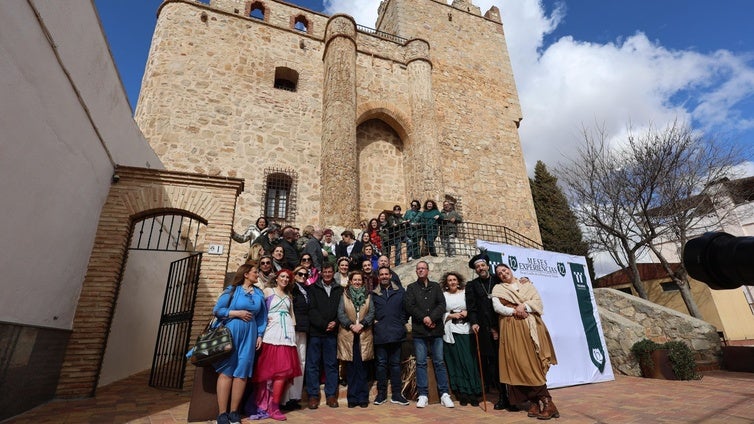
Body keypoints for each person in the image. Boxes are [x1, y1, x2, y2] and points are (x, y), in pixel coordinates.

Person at [492, 264, 559, 420]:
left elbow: (538, 302)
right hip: (511, 329)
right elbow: (497, 307)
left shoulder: (526, 285)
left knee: (534, 364)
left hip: (532, 328)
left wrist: (525, 306)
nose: (503, 273)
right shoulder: (498, 289)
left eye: (504, 270)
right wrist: (515, 310)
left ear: (510, 269)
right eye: (499, 273)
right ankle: (539, 401)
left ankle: (544, 402)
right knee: (519, 365)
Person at [212, 263, 268, 424]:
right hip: (231, 332)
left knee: (242, 371)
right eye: (255, 272)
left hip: (250, 334)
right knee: (227, 370)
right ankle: (222, 414)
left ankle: (234, 412)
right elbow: (217, 310)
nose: (257, 275)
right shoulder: (232, 290)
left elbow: (262, 317)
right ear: (245, 274)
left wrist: (260, 334)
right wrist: (235, 313)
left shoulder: (258, 293)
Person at [251, 269, 302, 421]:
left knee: (283, 373)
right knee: (266, 372)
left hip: (286, 336)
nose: (285, 279)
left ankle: (275, 405)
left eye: (287, 277)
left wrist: (293, 335)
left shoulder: (289, 297)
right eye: (283, 276)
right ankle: (262, 404)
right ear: (277, 278)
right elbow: (259, 311)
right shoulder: (267, 291)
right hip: (271, 334)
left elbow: (292, 317)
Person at [403, 261, 454, 408]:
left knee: (439, 362)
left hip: (436, 330)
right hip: (420, 331)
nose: (420, 270)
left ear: (428, 271)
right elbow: (409, 306)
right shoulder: (411, 288)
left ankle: (444, 394)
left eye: (423, 268)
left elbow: (441, 305)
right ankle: (423, 394)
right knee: (420, 363)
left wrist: (432, 318)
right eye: (418, 269)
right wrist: (424, 318)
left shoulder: (436, 287)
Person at [465, 253, 510, 410]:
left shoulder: (497, 279)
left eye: (482, 265)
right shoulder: (472, 285)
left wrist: (524, 279)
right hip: (485, 330)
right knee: (495, 364)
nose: (480, 268)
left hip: (504, 325)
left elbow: (511, 283)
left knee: (508, 361)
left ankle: (514, 395)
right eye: (477, 267)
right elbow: (472, 308)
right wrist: (474, 322)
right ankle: (502, 396)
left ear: (487, 266)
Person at [305, 263, 343, 409]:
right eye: (325, 272)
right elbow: (311, 309)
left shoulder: (339, 289)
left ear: (333, 273)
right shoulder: (313, 289)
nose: (327, 274)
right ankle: (313, 396)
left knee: (331, 364)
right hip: (316, 332)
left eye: (330, 272)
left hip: (332, 333)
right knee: (313, 364)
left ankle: (331, 395)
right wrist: (323, 324)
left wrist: (336, 322)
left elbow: (342, 308)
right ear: (321, 273)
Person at [440, 272, 481, 407]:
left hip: (466, 329)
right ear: (446, 283)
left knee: (469, 361)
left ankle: (473, 392)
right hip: (452, 331)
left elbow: (474, 306)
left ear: (458, 281)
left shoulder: (465, 293)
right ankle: (462, 393)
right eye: (449, 280)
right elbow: (440, 311)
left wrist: (467, 313)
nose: (452, 282)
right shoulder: (444, 296)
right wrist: (451, 316)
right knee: (456, 362)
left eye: (454, 280)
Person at [372, 266, 410, 406]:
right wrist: (375, 322)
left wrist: (401, 322)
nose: (383, 276)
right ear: (378, 277)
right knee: (381, 365)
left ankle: (396, 394)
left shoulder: (399, 291)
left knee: (395, 365)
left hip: (396, 333)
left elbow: (405, 310)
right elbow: (370, 310)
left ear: (390, 275)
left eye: (386, 274)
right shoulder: (374, 293)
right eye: (381, 274)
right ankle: (381, 394)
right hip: (380, 334)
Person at [337, 271, 375, 408]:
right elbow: (340, 313)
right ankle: (352, 398)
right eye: (355, 280)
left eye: (359, 280)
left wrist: (362, 324)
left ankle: (363, 397)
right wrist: (351, 325)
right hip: (349, 334)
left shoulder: (368, 296)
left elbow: (371, 313)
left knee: (363, 368)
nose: (357, 282)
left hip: (364, 334)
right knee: (351, 369)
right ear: (350, 281)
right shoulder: (344, 296)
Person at [282, 266, 311, 411]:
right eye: (300, 274)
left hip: (304, 329)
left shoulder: (307, 290)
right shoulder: (291, 288)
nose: (303, 276)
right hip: (292, 328)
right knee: (290, 362)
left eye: (306, 275)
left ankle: (295, 396)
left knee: (301, 362)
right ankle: (284, 398)